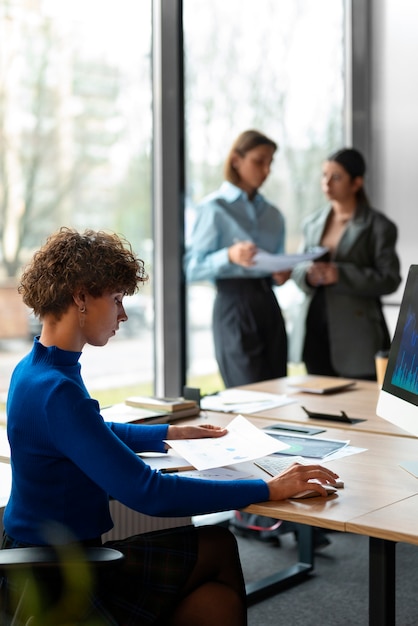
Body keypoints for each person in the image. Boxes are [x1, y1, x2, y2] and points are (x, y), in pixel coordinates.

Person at [1, 227, 339, 626]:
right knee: (216, 549)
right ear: (80, 297)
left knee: (215, 593)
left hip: (44, 557)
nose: (122, 314)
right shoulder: (55, 389)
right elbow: (149, 493)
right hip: (57, 576)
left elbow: (88, 431)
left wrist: (170, 434)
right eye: (116, 299)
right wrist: (269, 488)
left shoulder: (37, 368)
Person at [185, 129, 290, 388]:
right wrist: (228, 256)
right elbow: (190, 268)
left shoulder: (274, 215)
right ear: (236, 160)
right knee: (247, 394)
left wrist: (281, 274)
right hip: (233, 306)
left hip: (269, 304)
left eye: (270, 163)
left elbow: (277, 263)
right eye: (259, 161)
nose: (266, 170)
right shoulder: (213, 209)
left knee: (278, 390)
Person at [291, 147, 401, 379]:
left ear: (356, 182)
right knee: (318, 408)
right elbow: (297, 269)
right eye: (324, 175)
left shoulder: (379, 226)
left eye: (336, 177)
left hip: (358, 336)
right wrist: (308, 276)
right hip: (315, 330)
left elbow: (390, 279)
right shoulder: (312, 223)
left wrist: (341, 275)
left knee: (361, 408)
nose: (327, 183)